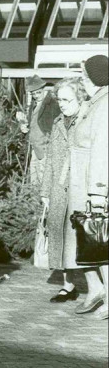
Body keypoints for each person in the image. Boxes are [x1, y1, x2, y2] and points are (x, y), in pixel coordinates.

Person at [40, 78, 88, 303]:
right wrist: (45, 192)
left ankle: (97, 287)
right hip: (60, 187)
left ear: (80, 98)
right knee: (60, 230)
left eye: (67, 99)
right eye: (59, 99)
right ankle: (68, 286)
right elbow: (50, 159)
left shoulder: (87, 121)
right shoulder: (58, 122)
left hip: (82, 185)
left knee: (84, 235)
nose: (62, 103)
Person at [71, 55, 109, 320]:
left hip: (93, 184)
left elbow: (102, 150)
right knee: (93, 240)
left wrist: (98, 191)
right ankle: (97, 291)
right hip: (82, 182)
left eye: (85, 75)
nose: (82, 80)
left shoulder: (105, 105)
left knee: (101, 240)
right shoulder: (94, 102)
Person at [20, 75, 60, 182]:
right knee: (34, 180)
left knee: (44, 181)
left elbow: (57, 126)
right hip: (34, 148)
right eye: (33, 94)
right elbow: (32, 123)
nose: (36, 96)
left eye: (38, 92)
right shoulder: (33, 104)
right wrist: (24, 128)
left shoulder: (52, 104)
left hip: (45, 148)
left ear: (43, 89)